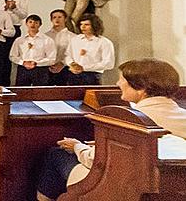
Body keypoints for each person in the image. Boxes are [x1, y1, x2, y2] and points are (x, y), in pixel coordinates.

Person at [36, 59, 186, 201]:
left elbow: (98, 161)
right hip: (172, 186)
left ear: (142, 89)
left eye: (122, 80)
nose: (118, 83)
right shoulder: (182, 115)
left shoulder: (129, 119)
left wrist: (77, 146)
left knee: (56, 154)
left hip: (122, 185)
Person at [65, 13, 115, 85]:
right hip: (73, 75)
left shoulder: (104, 42)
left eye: (86, 25)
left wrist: (85, 68)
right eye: (81, 24)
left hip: (92, 75)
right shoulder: (75, 39)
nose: (83, 27)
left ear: (94, 25)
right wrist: (72, 63)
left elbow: (109, 63)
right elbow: (67, 55)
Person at [9, 14, 56, 86]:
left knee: (40, 94)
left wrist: (36, 63)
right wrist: (23, 62)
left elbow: (52, 59)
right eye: (30, 22)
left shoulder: (47, 40)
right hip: (23, 69)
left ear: (40, 25)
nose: (33, 24)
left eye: (36, 23)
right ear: (26, 23)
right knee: (22, 93)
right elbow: (12, 56)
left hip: (40, 69)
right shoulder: (19, 40)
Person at [45, 9, 74, 85]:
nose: (57, 19)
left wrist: (62, 63)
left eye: (59, 17)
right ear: (51, 19)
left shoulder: (72, 37)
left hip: (65, 69)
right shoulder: (45, 36)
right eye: (54, 17)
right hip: (47, 68)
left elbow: (73, 54)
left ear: (65, 19)